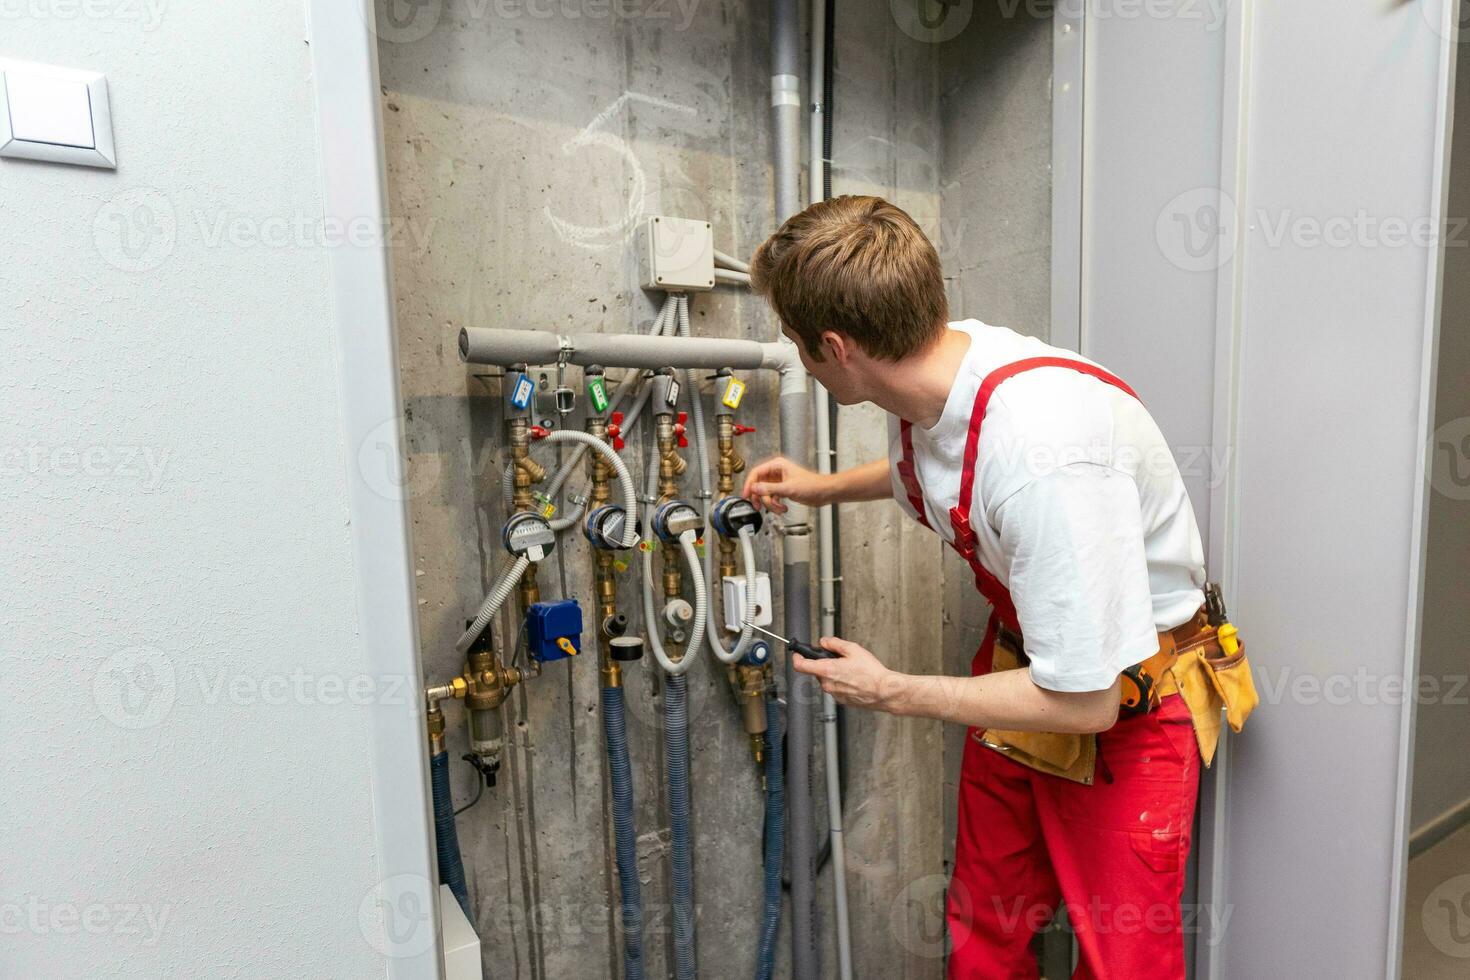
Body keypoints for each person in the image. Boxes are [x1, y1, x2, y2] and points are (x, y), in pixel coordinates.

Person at [739, 195, 1256, 979]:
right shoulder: (938, 365)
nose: (798, 359)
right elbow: (949, 469)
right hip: (1026, 665)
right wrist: (822, 485)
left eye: (795, 345)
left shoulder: (1045, 458)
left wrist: (893, 691)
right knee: (985, 920)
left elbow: (1089, 701)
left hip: (1130, 699)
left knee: (1123, 960)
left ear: (836, 350)